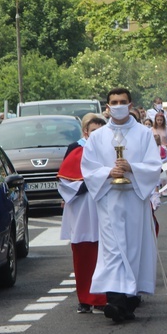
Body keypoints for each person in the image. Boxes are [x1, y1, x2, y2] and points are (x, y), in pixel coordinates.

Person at [81, 88, 162, 323]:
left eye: (122, 102)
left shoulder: (144, 134)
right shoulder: (97, 137)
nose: (118, 105)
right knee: (113, 250)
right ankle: (115, 301)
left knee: (133, 249)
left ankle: (129, 300)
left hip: (135, 198)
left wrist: (131, 168)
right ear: (107, 106)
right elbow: (89, 169)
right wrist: (109, 172)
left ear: (130, 104)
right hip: (110, 200)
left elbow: (154, 166)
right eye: (113, 102)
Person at [58, 113, 108, 314]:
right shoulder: (76, 150)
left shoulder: (110, 151)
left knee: (106, 254)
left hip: (105, 209)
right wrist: (91, 182)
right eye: (93, 131)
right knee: (84, 254)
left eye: (101, 132)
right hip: (83, 211)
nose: (97, 135)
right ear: (86, 132)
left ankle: (105, 297)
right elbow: (66, 182)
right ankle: (85, 298)